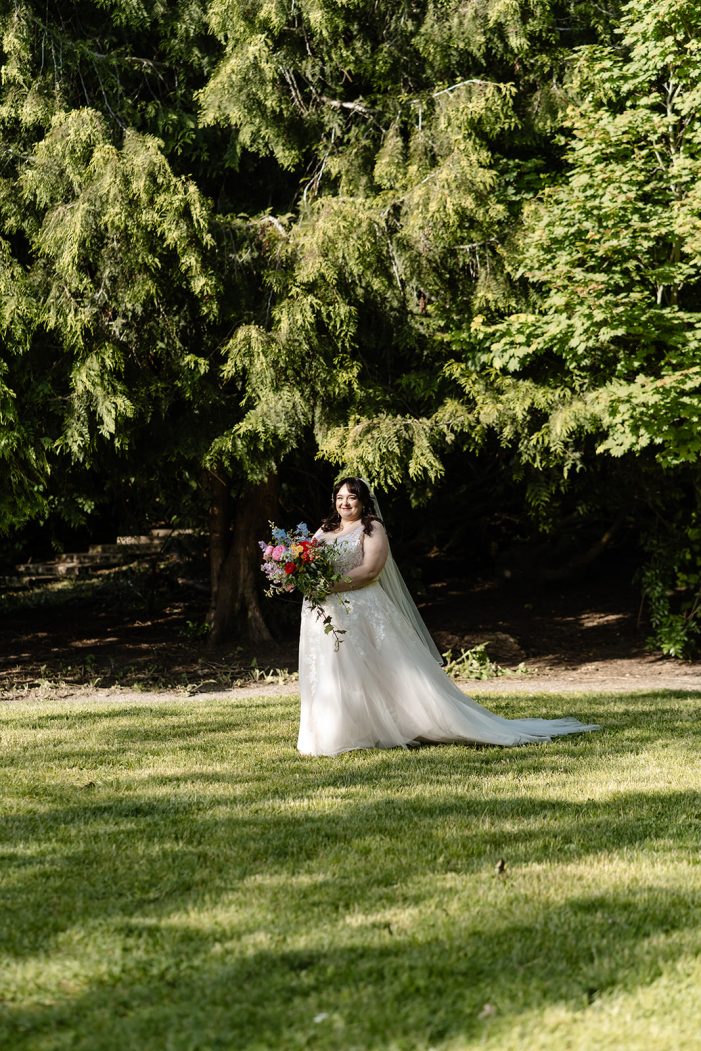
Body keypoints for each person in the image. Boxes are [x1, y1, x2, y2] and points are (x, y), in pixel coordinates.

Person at [297, 477, 600, 757]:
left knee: (376, 669)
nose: (345, 503)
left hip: (362, 608)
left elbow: (370, 571)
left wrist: (329, 585)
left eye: (352, 497)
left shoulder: (372, 528)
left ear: (364, 501)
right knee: (333, 669)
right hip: (325, 610)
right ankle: (336, 731)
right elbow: (308, 558)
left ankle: (402, 723)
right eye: (340, 498)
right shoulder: (324, 530)